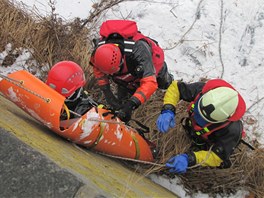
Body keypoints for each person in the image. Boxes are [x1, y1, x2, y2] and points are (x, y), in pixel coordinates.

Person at [89, 20, 173, 122]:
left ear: (121, 60)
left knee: (165, 83)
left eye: (113, 71)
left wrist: (132, 103)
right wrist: (107, 93)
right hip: (126, 76)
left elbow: (150, 83)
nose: (110, 75)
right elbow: (98, 70)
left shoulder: (139, 49)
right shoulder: (98, 50)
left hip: (150, 66)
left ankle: (170, 84)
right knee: (122, 102)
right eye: (109, 74)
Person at [156, 79, 246, 173]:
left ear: (222, 119)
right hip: (192, 127)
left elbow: (217, 157)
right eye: (199, 112)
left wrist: (191, 159)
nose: (198, 118)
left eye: (204, 119)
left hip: (208, 142)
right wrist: (168, 109)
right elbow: (176, 87)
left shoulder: (232, 130)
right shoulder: (201, 90)